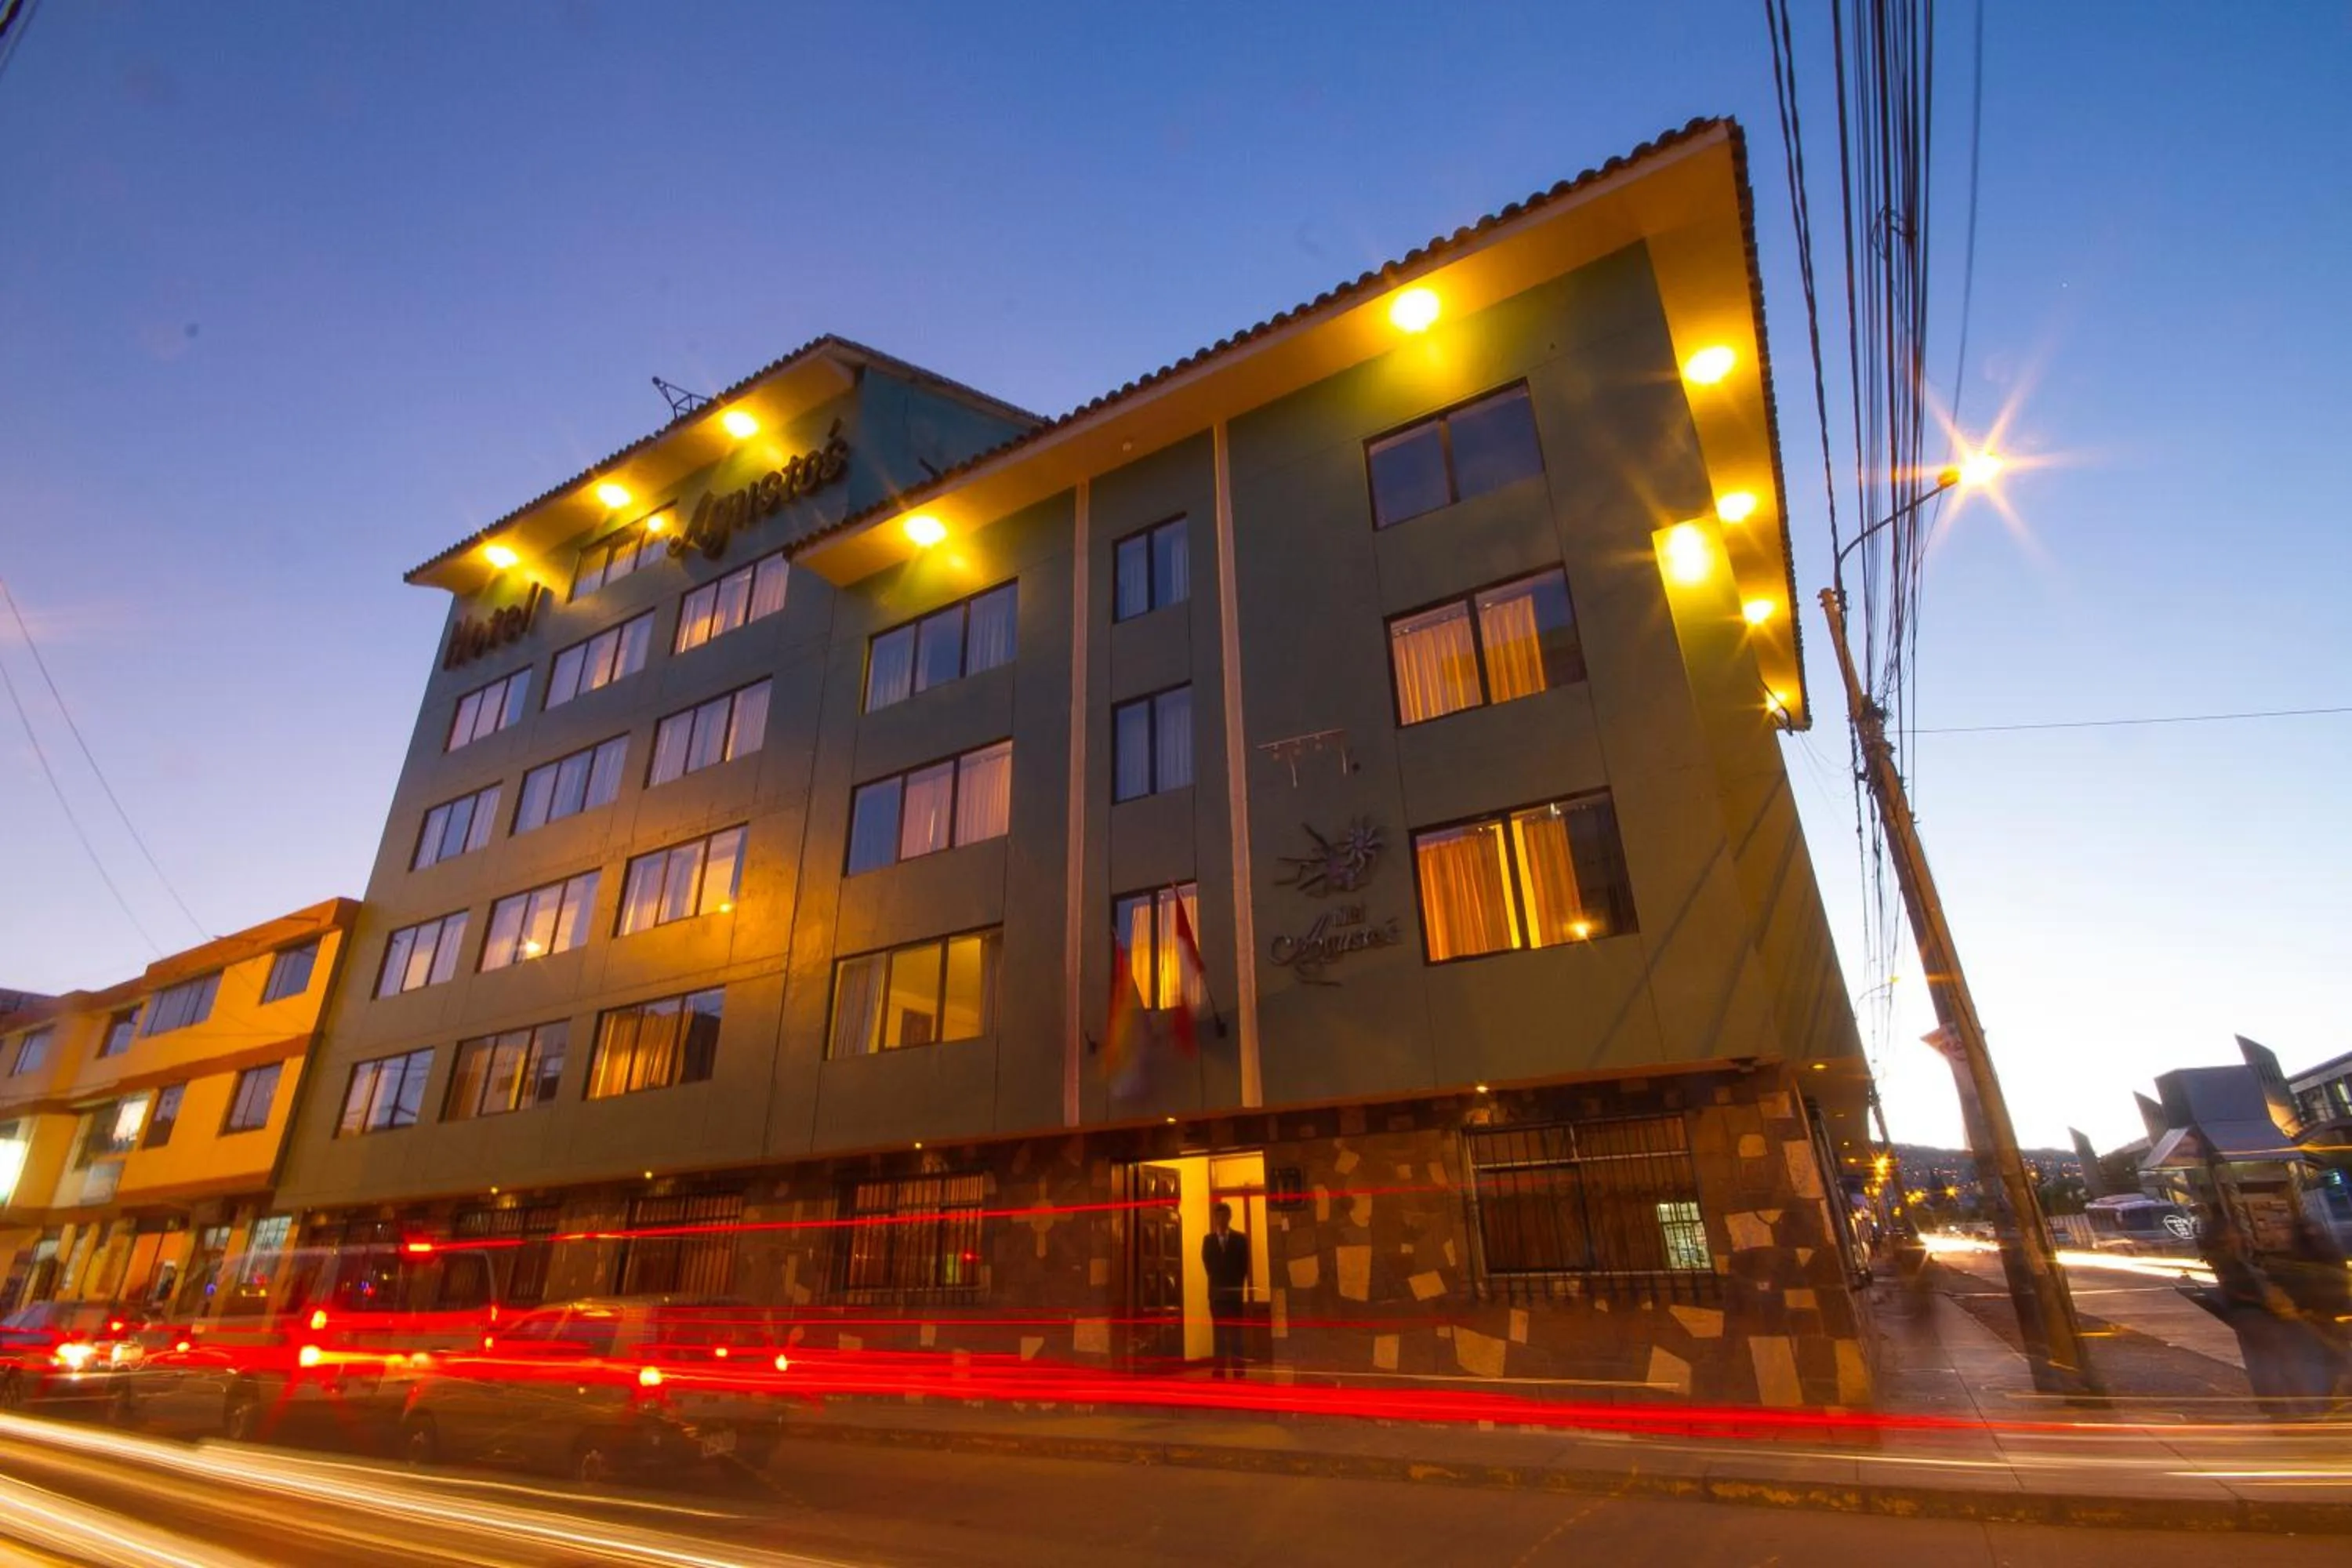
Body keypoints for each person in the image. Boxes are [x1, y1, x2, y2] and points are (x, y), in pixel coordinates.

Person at [1200, 1200, 1251, 1380]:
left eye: (1224, 1216)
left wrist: (1236, 1287)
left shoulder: (1240, 1240)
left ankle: (1238, 1368)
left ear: (1229, 1217)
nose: (1221, 1219)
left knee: (1236, 1333)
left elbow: (1244, 1266)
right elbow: (1208, 1266)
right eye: (1218, 1216)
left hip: (1234, 1294)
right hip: (1217, 1295)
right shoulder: (1209, 1241)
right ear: (1215, 1218)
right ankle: (1220, 1368)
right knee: (1219, 1334)